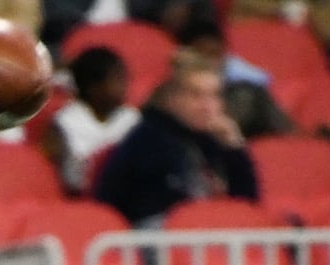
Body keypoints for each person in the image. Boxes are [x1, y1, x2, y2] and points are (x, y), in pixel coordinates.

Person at [94, 50, 259, 229]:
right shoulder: (146, 141)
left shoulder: (215, 142)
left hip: (208, 236)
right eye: (196, 95)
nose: (207, 106)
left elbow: (247, 206)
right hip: (156, 236)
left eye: (214, 95)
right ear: (172, 98)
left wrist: (234, 149)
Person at [176, 15, 295, 141]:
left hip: (236, 126)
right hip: (194, 134)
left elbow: (262, 81)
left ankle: (298, 142)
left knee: (250, 94)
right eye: (204, 54)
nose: (212, 61)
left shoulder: (234, 71)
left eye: (215, 53)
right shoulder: (175, 80)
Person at [42, 46, 141, 195]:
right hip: (78, 196)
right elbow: (51, 169)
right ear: (93, 87)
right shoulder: (66, 121)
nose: (124, 86)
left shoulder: (132, 118)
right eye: (117, 79)